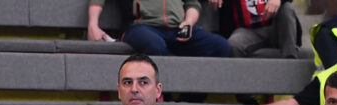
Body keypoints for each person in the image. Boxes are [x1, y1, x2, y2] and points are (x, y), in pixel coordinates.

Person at [87, 0, 231, 58]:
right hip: (139, 27)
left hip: (177, 29)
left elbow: (192, 4)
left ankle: (188, 100)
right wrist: (93, 24)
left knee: (221, 47)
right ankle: (162, 98)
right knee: (155, 46)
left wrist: (188, 22)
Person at [210, 0, 301, 59]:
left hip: (276, 27)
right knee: (233, 45)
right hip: (247, 31)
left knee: (287, 8)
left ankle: (290, 61)